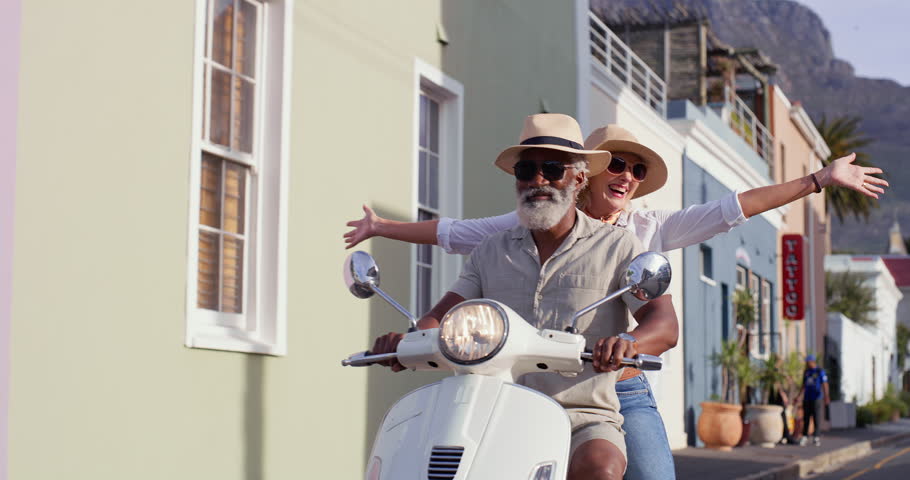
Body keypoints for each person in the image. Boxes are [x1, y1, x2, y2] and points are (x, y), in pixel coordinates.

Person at [344, 122, 885, 479]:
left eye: (636, 169)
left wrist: (818, 179)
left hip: (609, 383)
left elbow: (730, 211)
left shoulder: (639, 233)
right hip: (506, 393)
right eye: (528, 170)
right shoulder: (504, 237)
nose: (626, 175)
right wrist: (408, 324)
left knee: (630, 472)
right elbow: (452, 244)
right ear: (592, 174)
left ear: (576, 176)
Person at [370, 114, 680, 480]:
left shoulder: (617, 245)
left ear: (579, 178)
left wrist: (627, 342)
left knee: (602, 466)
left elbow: (664, 324)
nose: (538, 180)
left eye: (552, 169)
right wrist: (407, 341)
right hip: (496, 410)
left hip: (583, 414)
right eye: (526, 170)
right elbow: (441, 316)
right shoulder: (490, 251)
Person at [798, 354, 830, 446]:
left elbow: (825, 384)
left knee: (816, 418)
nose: (807, 364)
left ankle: (816, 437)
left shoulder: (820, 371)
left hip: (817, 398)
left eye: (809, 362)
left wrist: (826, 396)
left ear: (813, 362)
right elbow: (803, 386)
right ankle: (805, 436)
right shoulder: (806, 372)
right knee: (806, 418)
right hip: (807, 398)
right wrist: (798, 396)